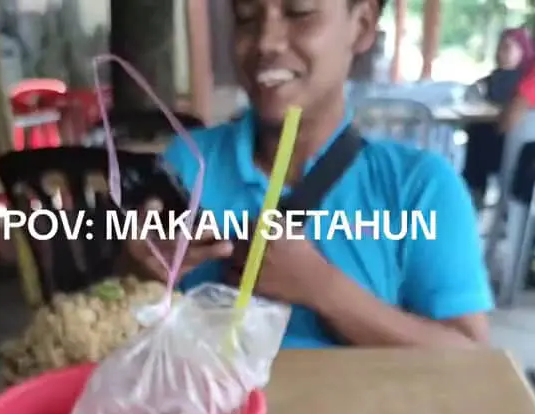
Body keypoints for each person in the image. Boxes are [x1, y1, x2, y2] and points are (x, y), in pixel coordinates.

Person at [125, 0, 491, 348]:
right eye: (246, 17)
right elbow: (119, 326)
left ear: (361, 24)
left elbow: (471, 358)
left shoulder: (419, 187)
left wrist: (321, 287)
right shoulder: (187, 164)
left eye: (299, 12)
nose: (266, 42)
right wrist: (139, 269)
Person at [463, 27, 534, 207]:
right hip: (505, 138)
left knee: (479, 135)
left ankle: (474, 190)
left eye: (508, 48)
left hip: (515, 146)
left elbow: (511, 111)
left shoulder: (522, 80)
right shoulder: (496, 78)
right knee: (478, 132)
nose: (501, 53)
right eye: (500, 47)